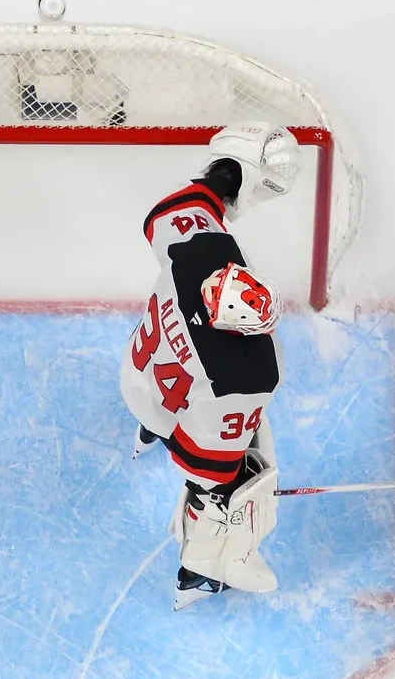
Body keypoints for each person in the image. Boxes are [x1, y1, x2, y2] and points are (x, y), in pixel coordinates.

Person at [121, 122, 301, 608]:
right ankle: (198, 571)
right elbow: (206, 467)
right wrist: (228, 490)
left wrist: (226, 175)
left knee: (170, 401)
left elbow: (172, 213)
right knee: (221, 486)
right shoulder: (242, 380)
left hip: (138, 376)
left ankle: (144, 435)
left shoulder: (195, 257)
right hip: (173, 408)